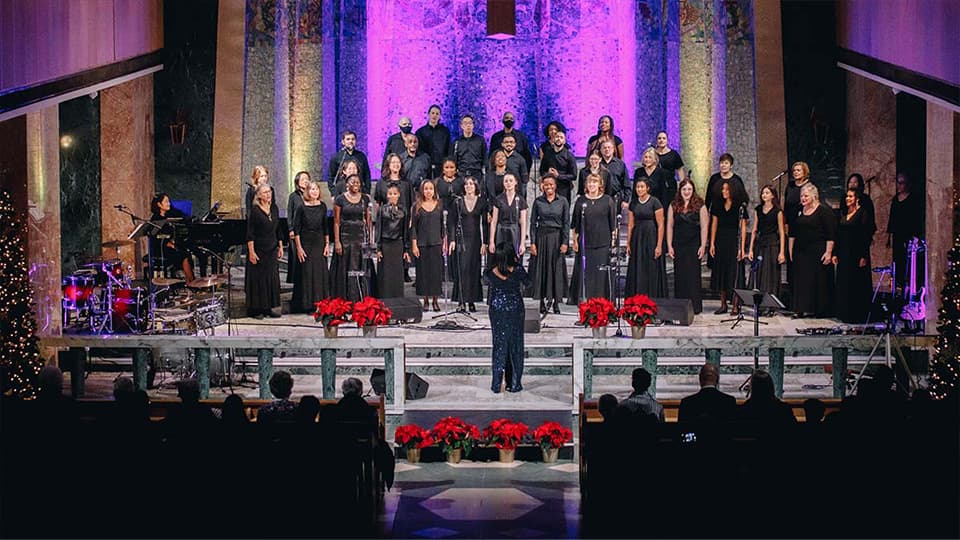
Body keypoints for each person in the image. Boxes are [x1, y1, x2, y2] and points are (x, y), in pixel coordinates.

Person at [484, 246, 530, 393]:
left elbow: (484, 280)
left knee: (499, 345)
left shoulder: (490, 272)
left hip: (497, 310)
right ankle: (514, 383)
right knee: (515, 345)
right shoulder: (517, 270)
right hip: (516, 309)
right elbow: (529, 283)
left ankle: (497, 384)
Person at [788, 183, 836, 318]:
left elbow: (830, 234)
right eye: (801, 196)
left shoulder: (823, 211)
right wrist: (790, 250)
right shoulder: (799, 210)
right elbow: (792, 231)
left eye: (806, 196)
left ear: (814, 196)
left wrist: (828, 252)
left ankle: (819, 310)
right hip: (801, 250)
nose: (803, 198)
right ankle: (800, 308)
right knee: (801, 280)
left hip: (818, 250)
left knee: (818, 280)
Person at [568, 174, 617, 304]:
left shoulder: (608, 200)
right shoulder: (581, 201)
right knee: (587, 273)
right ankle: (585, 302)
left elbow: (613, 224)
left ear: (600, 185)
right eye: (589, 183)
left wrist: (613, 242)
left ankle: (602, 302)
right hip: (586, 243)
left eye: (594, 182)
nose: (591, 185)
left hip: (603, 242)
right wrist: (575, 240)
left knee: (600, 274)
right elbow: (575, 224)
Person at [667, 179, 709, 314]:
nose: (687, 192)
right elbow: (669, 226)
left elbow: (704, 227)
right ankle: (681, 305)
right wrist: (669, 245)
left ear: (693, 190)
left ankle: (694, 306)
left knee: (693, 275)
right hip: (679, 244)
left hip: (693, 244)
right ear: (680, 190)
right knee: (680, 275)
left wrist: (703, 245)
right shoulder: (673, 205)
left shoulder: (700, 205)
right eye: (684, 189)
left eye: (689, 189)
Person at [529, 174, 569, 314]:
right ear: (542, 186)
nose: (549, 187)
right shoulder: (538, 201)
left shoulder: (563, 201)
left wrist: (565, 242)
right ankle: (541, 301)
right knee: (542, 269)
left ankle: (555, 302)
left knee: (555, 270)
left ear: (555, 185)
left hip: (557, 237)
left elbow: (566, 223)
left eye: (551, 184)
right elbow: (533, 223)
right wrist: (533, 243)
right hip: (541, 238)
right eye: (546, 184)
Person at [331, 175, 374, 301]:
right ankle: (347, 298)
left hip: (360, 238)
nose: (355, 184)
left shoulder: (365, 199)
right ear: (347, 184)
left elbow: (368, 221)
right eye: (352, 182)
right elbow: (337, 221)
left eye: (358, 182)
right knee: (346, 268)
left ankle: (360, 298)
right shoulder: (340, 199)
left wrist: (370, 240)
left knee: (361, 268)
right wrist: (337, 241)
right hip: (345, 238)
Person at [834, 188, 873, 323]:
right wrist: (835, 253)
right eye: (847, 197)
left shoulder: (862, 213)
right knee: (844, 282)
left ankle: (856, 315)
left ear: (857, 198)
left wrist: (863, 256)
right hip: (844, 253)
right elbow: (838, 235)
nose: (848, 199)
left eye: (851, 196)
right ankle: (844, 313)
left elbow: (865, 235)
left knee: (856, 282)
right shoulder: (844, 213)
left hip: (856, 253)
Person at [291, 181, 331, 312]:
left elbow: (326, 227)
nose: (314, 191)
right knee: (307, 273)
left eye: (316, 189)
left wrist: (326, 245)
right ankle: (307, 305)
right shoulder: (301, 207)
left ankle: (321, 303)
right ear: (307, 191)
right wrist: (299, 248)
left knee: (320, 273)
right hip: (306, 243)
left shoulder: (323, 206)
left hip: (319, 242)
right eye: (312, 189)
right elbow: (296, 230)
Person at [746, 184, 786, 315]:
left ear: (773, 195)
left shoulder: (777, 211)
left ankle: (771, 306)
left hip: (773, 245)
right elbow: (754, 230)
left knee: (771, 275)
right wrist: (750, 249)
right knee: (760, 274)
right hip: (760, 244)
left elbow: (781, 232)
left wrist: (781, 252)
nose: (764, 195)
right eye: (763, 193)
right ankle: (760, 305)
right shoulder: (758, 209)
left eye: (767, 193)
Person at [246, 184, 284, 319]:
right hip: (259, 249)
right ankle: (257, 309)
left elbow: (278, 229)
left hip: (272, 249)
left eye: (270, 192)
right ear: (259, 195)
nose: (268, 194)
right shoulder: (255, 211)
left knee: (271, 278)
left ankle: (268, 307)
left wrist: (280, 246)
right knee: (259, 280)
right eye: (265, 192)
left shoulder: (274, 208)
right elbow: (250, 234)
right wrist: (251, 252)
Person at [709, 181, 748, 315]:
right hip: (721, 240)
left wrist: (742, 248)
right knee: (722, 272)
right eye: (722, 189)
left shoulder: (740, 206)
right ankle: (723, 304)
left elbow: (743, 227)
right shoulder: (717, 205)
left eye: (727, 189)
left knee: (734, 273)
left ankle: (736, 305)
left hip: (734, 241)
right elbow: (714, 224)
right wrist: (712, 243)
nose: (724, 191)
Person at [449, 176, 486, 312]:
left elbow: (485, 224)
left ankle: (472, 300)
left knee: (474, 269)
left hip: (476, 240)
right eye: (466, 184)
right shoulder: (457, 202)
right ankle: (461, 300)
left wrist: (485, 243)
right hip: (462, 239)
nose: (469, 186)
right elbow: (452, 222)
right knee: (462, 269)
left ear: (476, 186)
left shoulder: (482, 202)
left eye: (471, 183)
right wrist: (452, 240)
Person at [625, 178, 666, 297]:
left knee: (651, 265)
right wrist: (628, 243)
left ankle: (652, 296)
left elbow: (661, 224)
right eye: (638, 187)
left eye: (642, 187)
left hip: (651, 236)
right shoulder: (633, 203)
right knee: (638, 265)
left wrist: (659, 245)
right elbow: (631, 224)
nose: (639, 189)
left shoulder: (655, 202)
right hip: (638, 237)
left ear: (647, 188)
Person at [411, 180, 445, 312]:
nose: (428, 191)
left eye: (431, 189)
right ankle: (425, 300)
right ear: (422, 191)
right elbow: (413, 227)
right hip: (422, 243)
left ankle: (435, 301)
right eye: (426, 189)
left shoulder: (440, 205)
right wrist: (414, 244)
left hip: (436, 242)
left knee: (436, 273)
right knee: (423, 273)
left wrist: (444, 241)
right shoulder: (417, 206)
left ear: (434, 190)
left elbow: (443, 225)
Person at [887, 172, 923, 289]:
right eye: (898, 182)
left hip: (910, 234)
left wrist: (915, 235)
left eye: (902, 183)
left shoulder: (914, 199)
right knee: (898, 260)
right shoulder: (895, 199)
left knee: (911, 262)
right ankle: (899, 285)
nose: (899, 185)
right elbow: (892, 217)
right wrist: (889, 234)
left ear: (908, 184)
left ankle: (911, 286)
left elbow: (917, 217)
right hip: (897, 234)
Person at [150, 193, 195, 283]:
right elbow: (155, 238)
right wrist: (169, 243)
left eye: (168, 201)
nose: (169, 204)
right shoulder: (155, 219)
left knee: (187, 253)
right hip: (160, 248)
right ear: (159, 204)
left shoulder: (169, 215)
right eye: (166, 202)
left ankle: (189, 281)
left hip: (170, 245)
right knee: (183, 256)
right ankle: (192, 282)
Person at [375, 184, 410, 299]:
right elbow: (378, 229)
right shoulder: (382, 209)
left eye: (395, 194)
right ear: (387, 195)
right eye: (390, 194)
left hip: (398, 244)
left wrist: (406, 248)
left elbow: (405, 230)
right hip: (386, 244)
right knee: (385, 274)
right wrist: (378, 248)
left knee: (397, 274)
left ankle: (398, 299)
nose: (392, 196)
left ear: (399, 195)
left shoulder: (403, 210)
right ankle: (384, 298)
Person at [488, 173, 528, 256]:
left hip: (514, 232)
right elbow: (494, 222)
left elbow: (523, 223)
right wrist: (491, 241)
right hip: (501, 232)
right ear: (503, 183)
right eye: (506, 181)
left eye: (511, 181)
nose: (508, 183)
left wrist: (522, 243)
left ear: (515, 182)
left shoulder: (520, 200)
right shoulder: (498, 199)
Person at [286, 171, 311, 285]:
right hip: (296, 231)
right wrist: (291, 229)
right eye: (303, 179)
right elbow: (289, 214)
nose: (305, 181)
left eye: (307, 179)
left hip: (308, 231)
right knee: (296, 257)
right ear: (297, 182)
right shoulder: (293, 196)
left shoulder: (312, 194)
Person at [328, 130, 372, 194]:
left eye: (353, 139)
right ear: (343, 142)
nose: (350, 141)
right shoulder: (336, 157)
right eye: (348, 139)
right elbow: (331, 177)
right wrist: (333, 193)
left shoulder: (361, 156)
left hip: (360, 191)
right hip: (342, 192)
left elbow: (367, 175)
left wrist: (367, 192)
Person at [540, 129, 578, 202]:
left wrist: (558, 176)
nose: (559, 139)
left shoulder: (569, 156)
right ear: (553, 139)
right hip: (549, 188)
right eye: (557, 137)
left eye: (561, 137)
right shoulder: (547, 154)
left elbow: (574, 175)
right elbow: (542, 170)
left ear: (564, 141)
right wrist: (547, 174)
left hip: (563, 189)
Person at [415, 105, 452, 179]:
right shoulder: (420, 132)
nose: (434, 115)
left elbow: (448, 149)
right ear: (428, 114)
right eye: (433, 113)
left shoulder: (445, 131)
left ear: (440, 116)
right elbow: (418, 150)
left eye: (437, 113)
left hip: (441, 166)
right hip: (425, 166)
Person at [654, 131, 685, 203]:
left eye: (664, 138)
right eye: (659, 138)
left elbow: (680, 170)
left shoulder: (674, 154)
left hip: (670, 186)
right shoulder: (652, 154)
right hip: (656, 185)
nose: (661, 140)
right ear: (656, 140)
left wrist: (682, 186)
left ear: (667, 140)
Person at [453, 114, 486, 179]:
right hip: (461, 173)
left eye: (470, 123)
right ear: (461, 126)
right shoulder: (457, 141)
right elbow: (454, 158)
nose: (468, 125)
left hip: (476, 173)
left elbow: (484, 157)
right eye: (465, 123)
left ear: (473, 125)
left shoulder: (480, 140)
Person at [599, 140, 629, 208]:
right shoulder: (598, 164)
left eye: (609, 147)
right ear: (601, 150)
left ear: (613, 149)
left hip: (616, 199)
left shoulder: (620, 164)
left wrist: (626, 200)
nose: (607, 149)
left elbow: (626, 184)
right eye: (604, 148)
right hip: (599, 199)